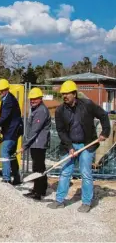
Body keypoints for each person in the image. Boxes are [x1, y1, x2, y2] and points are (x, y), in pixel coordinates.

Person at [48, 80, 110, 213]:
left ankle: (86, 202)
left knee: (85, 173)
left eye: (68, 93)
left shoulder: (87, 105)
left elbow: (103, 115)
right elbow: (61, 131)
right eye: (63, 94)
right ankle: (59, 200)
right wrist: (70, 147)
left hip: (87, 144)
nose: (65, 96)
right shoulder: (60, 111)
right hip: (69, 145)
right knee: (65, 172)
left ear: (74, 94)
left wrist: (105, 132)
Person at [0, 79, 23, 185]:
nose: (0, 93)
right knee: (11, 154)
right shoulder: (6, 99)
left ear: (7, 89)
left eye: (1, 91)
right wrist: (1, 128)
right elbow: (9, 118)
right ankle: (17, 178)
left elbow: (3, 118)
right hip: (11, 129)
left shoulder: (9, 101)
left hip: (13, 131)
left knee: (4, 151)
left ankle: (6, 179)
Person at [16, 88, 51, 200]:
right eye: (31, 99)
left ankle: (38, 192)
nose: (32, 101)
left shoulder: (41, 111)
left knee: (38, 168)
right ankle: (42, 189)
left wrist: (24, 146)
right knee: (40, 166)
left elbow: (35, 130)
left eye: (35, 99)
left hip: (38, 143)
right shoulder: (37, 109)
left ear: (40, 99)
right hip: (37, 143)